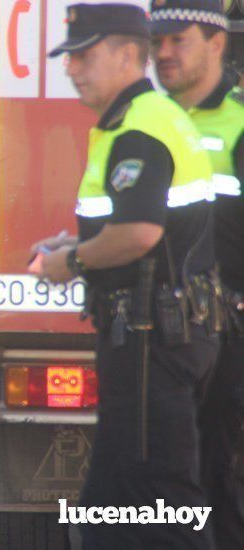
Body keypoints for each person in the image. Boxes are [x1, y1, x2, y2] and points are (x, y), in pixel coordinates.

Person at [34, 4, 219, 547]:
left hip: (151, 338)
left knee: (161, 500)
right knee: (110, 502)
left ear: (128, 54)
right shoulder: (135, 121)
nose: (72, 68)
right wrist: (76, 243)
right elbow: (140, 224)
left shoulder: (140, 128)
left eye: (84, 55)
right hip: (146, 335)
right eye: (70, 57)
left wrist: (70, 262)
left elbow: (139, 234)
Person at [150, 2, 244, 547]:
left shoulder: (236, 123)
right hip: (160, 335)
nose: (164, 53)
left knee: (221, 479)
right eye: (156, 41)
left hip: (228, 339)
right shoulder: (144, 122)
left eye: (177, 40)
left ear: (215, 44)